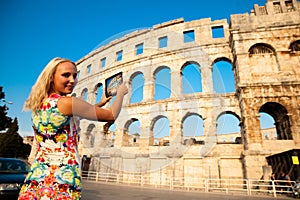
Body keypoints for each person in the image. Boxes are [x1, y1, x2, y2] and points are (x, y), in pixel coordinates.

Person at [18, 57, 128, 200]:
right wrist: (120, 94)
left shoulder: (39, 105)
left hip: (38, 174)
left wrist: (100, 103)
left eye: (75, 76)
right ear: (51, 77)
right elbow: (110, 115)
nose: (72, 80)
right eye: (66, 75)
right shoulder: (68, 102)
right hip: (62, 175)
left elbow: (73, 116)